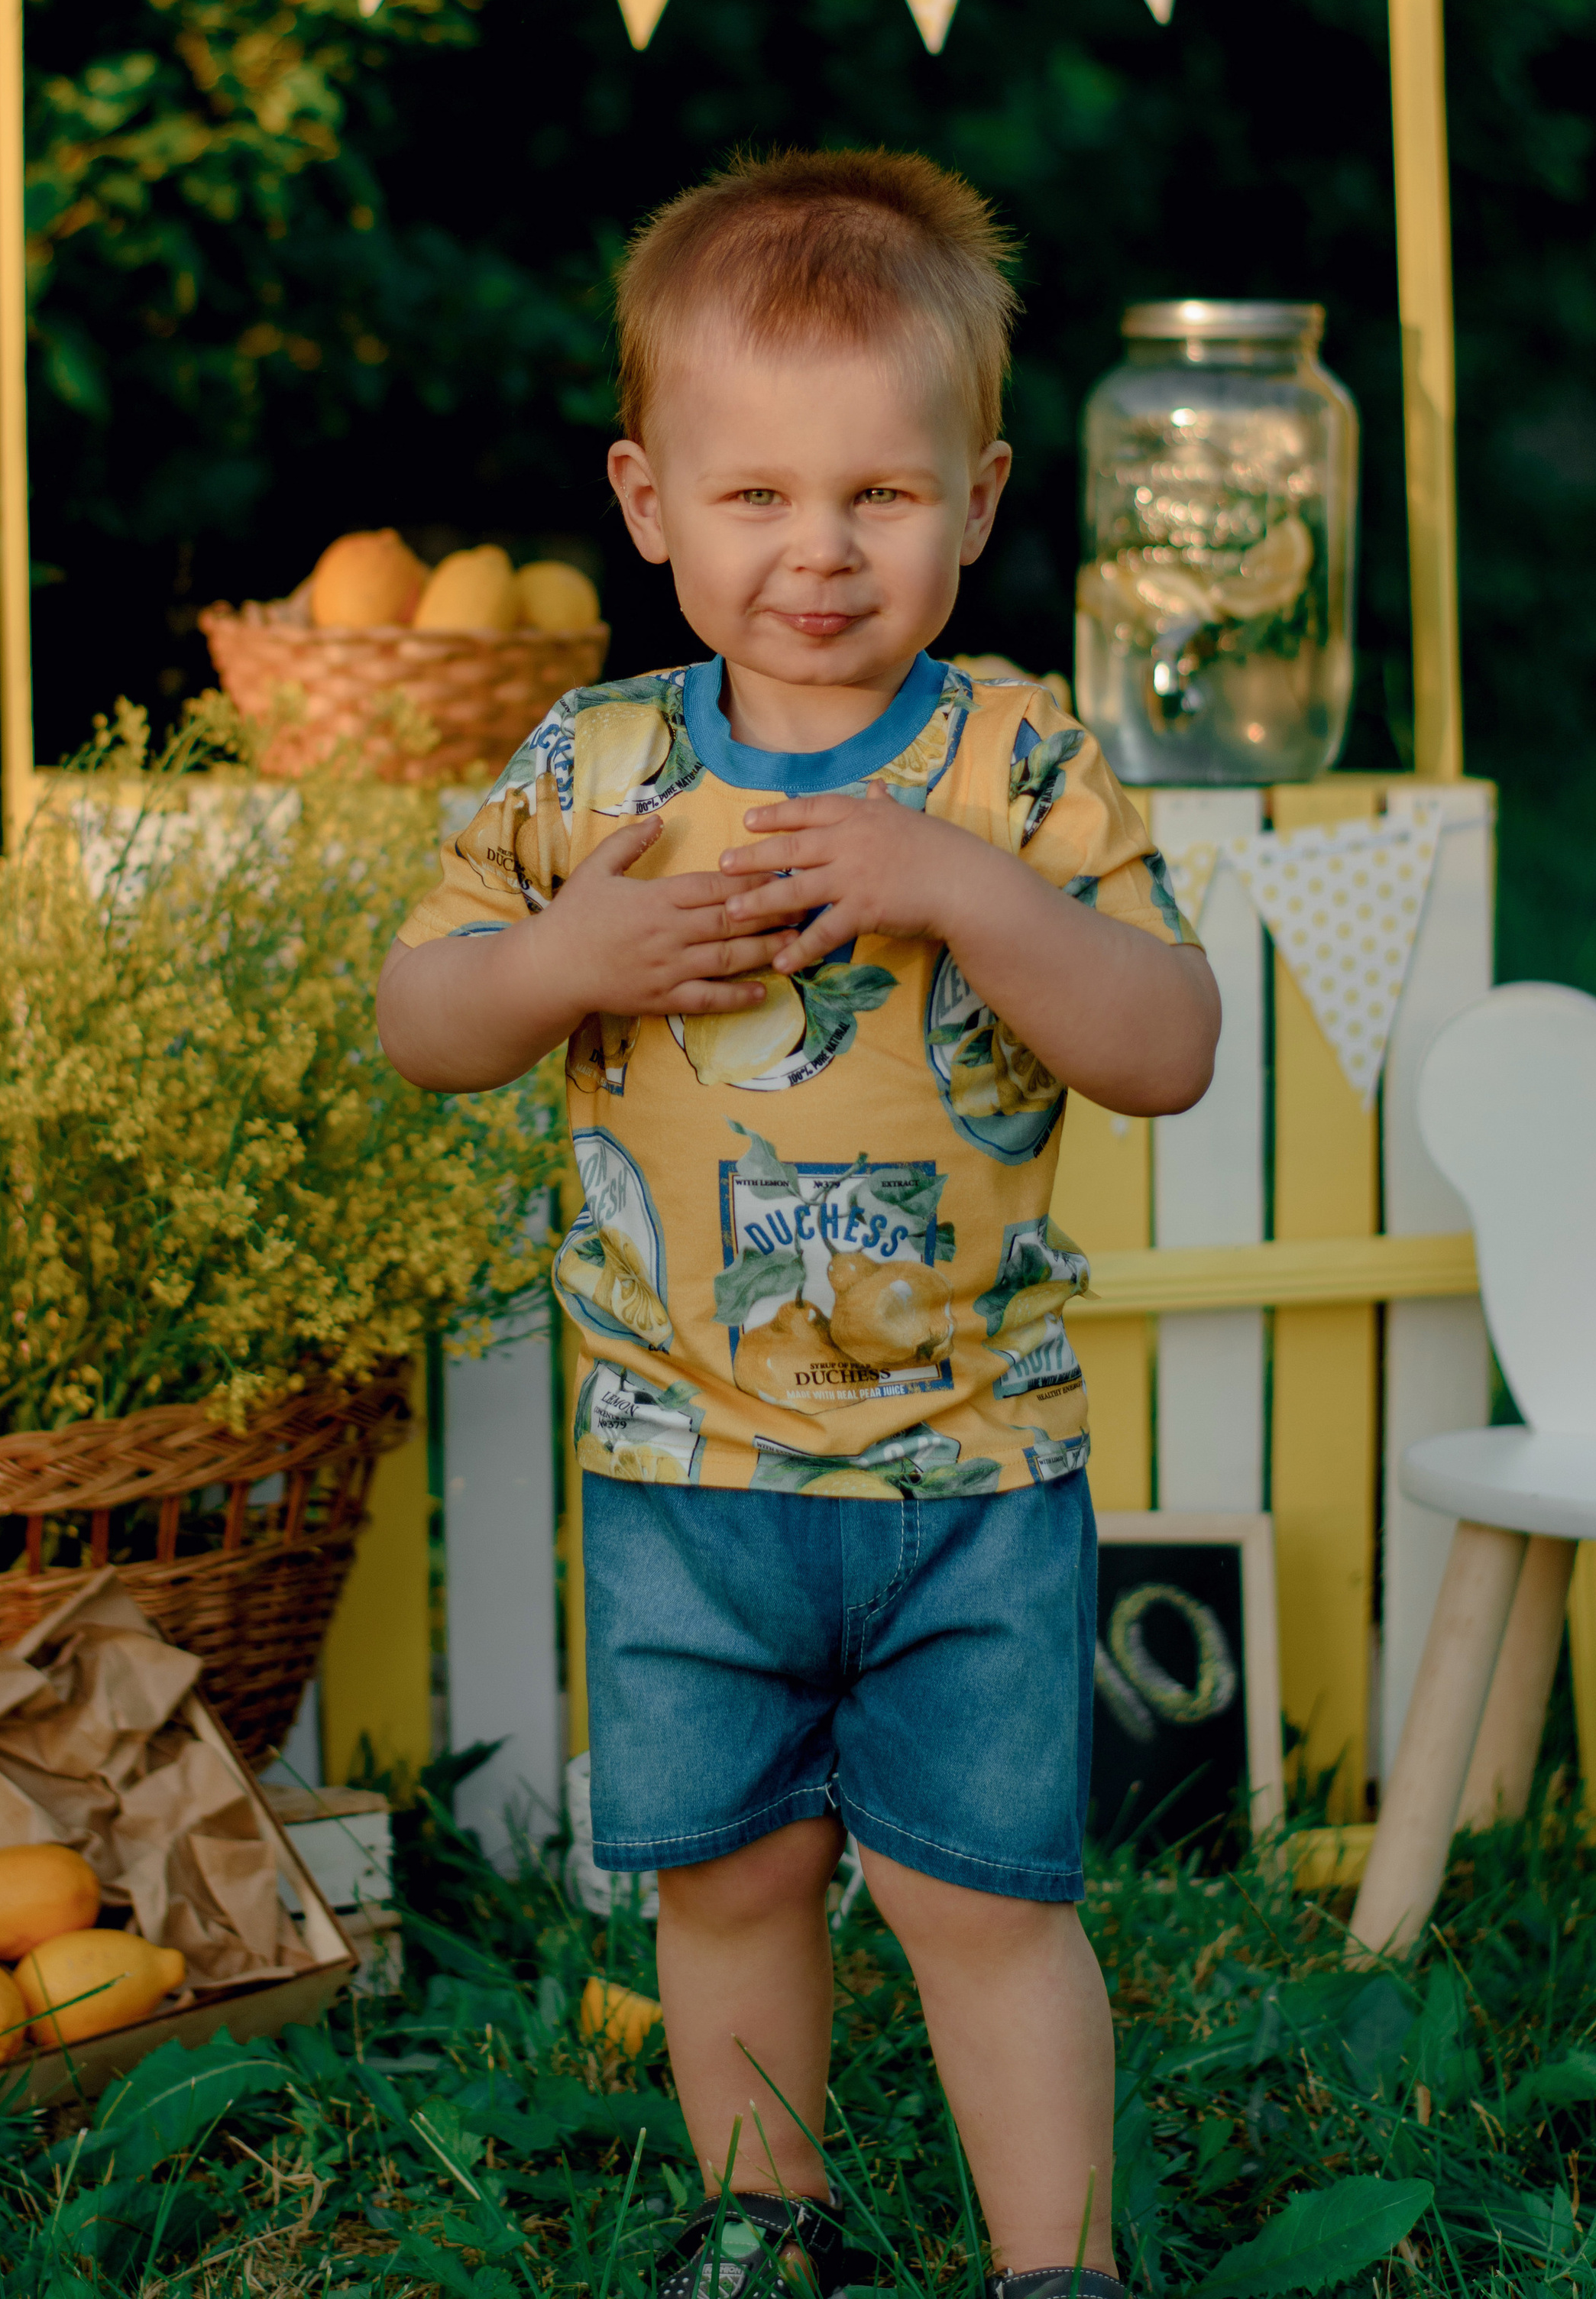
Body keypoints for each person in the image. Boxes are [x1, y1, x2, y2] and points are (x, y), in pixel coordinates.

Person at [377, 148, 1220, 2299]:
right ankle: (769, 2222)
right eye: (755, 499)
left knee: (981, 1897)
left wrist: (967, 896)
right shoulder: (595, 773)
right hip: (684, 1472)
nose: (820, 553)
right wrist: (571, 959)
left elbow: (1166, 1043)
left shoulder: (1020, 774)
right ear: (649, 502)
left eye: (881, 496)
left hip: (969, 1472)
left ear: (983, 493)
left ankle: (1060, 2265)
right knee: (729, 1885)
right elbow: (424, 1017)